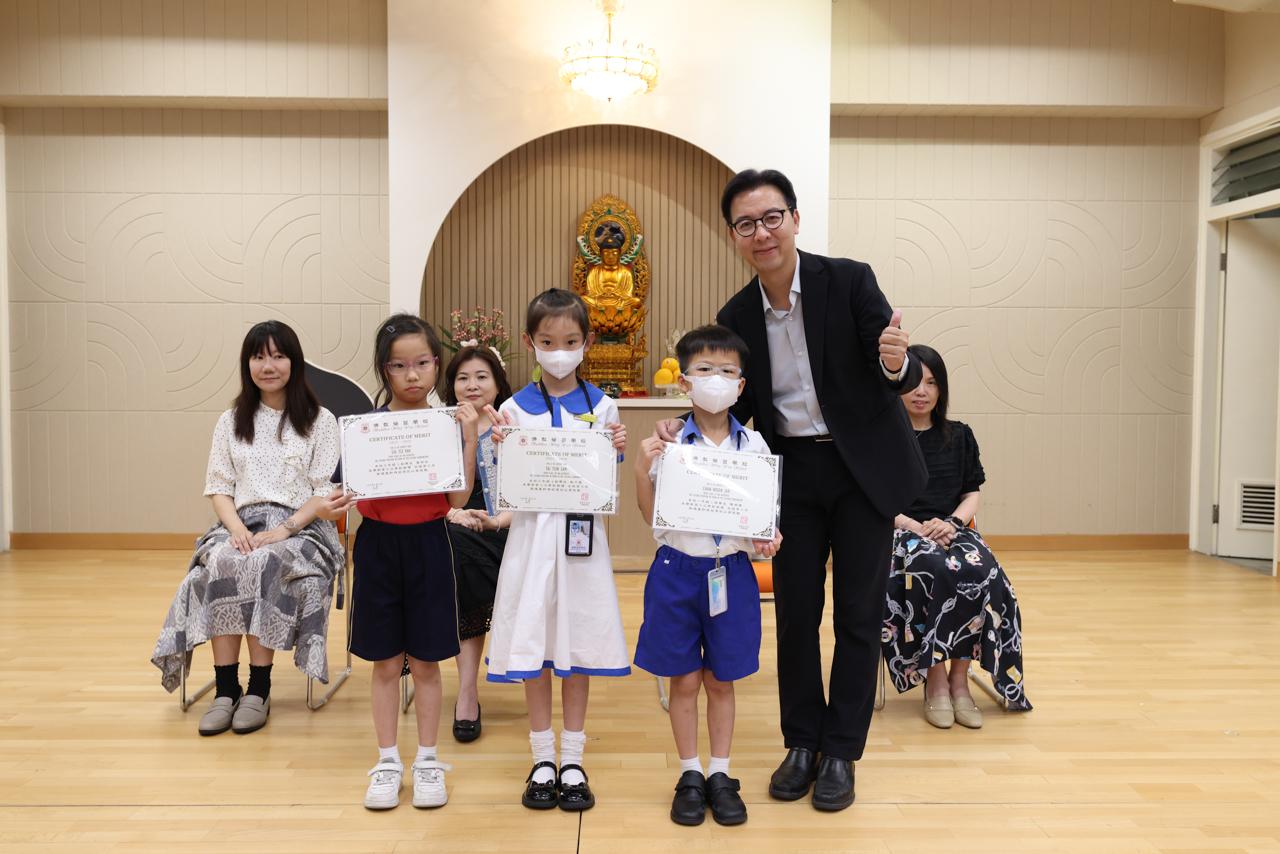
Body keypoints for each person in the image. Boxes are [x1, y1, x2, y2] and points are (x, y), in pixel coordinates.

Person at [657, 168, 927, 811]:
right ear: (733, 235)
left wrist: (895, 361)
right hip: (790, 472)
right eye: (746, 223)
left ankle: (841, 751)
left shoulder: (849, 280)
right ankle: (802, 741)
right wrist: (684, 429)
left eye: (772, 217)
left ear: (795, 219)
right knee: (797, 615)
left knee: (858, 614)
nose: (762, 232)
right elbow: (736, 404)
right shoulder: (736, 315)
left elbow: (899, 366)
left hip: (861, 471)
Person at [319, 314, 480, 811]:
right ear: (384, 369)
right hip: (379, 546)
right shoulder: (364, 429)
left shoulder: (446, 424)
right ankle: (388, 761)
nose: (412, 375)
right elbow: (342, 494)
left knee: (427, 661)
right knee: (387, 662)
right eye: (399, 366)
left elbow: (457, 498)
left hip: (431, 543)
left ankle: (428, 760)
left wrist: (470, 439)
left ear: (436, 364)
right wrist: (333, 504)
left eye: (423, 364)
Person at [151, 320, 343, 737]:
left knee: (264, 562)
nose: (267, 366)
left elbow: (324, 493)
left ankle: (258, 689)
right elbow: (219, 488)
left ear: (294, 362)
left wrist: (285, 529)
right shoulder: (231, 420)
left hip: (303, 527)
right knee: (223, 560)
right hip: (240, 522)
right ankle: (226, 689)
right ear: (247, 364)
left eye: (278, 356)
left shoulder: (320, 420)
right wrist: (236, 529)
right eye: (258, 357)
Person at [483, 288, 629, 813]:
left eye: (570, 341)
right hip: (530, 543)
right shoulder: (511, 410)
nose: (559, 351)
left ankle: (573, 759)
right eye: (548, 342)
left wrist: (614, 450)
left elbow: (604, 486)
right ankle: (542, 757)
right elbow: (499, 489)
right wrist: (498, 450)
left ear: (587, 342)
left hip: (582, 548)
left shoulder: (603, 406)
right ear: (530, 343)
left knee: (578, 645)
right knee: (537, 646)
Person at [633, 325, 782, 827]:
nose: (715, 378)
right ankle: (690, 773)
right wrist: (641, 469)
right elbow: (651, 516)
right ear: (684, 382)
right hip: (676, 570)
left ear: (740, 386)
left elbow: (764, 517)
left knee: (721, 680)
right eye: (704, 369)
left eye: (726, 371)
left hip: (731, 573)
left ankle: (720, 772)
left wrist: (769, 537)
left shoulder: (754, 445)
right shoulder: (669, 441)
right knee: (684, 680)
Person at [882, 344, 1032, 726]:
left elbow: (971, 494)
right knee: (934, 569)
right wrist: (913, 525)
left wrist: (952, 523)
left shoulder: (960, 435)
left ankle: (959, 680)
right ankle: (935, 680)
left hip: (953, 528)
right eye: (914, 382)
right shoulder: (884, 437)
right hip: (902, 531)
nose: (922, 391)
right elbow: (874, 496)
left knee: (983, 572)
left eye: (932, 382)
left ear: (942, 389)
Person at [441, 345, 515, 742]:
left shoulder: (513, 424)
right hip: (454, 531)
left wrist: (493, 521)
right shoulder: (438, 428)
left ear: (498, 383)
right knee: (455, 551)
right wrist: (452, 513)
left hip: (508, 531)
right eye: (463, 378)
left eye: (481, 377)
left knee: (460, 555)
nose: (472, 385)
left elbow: (528, 494)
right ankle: (467, 691)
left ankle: (473, 686)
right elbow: (435, 494)